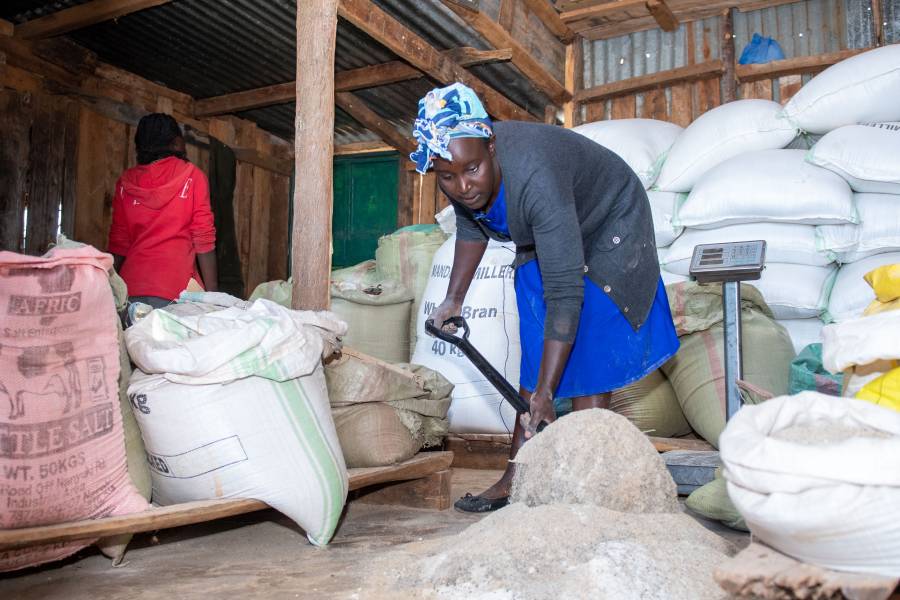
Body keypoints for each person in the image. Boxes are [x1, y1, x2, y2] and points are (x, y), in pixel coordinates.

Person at [412, 83, 680, 513]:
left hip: (608, 223)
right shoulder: (465, 170)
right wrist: (453, 300)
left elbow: (565, 292)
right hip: (550, 228)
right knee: (534, 344)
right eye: (447, 176)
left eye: (472, 169)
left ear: (491, 146)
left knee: (589, 352)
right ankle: (517, 476)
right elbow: (470, 226)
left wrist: (548, 393)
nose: (463, 186)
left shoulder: (537, 178)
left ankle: (589, 484)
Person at [108, 113, 217, 309]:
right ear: (177, 143)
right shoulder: (193, 177)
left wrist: (107, 289)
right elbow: (203, 240)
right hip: (178, 293)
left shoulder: (125, 183)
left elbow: (119, 243)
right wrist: (214, 297)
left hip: (130, 293)